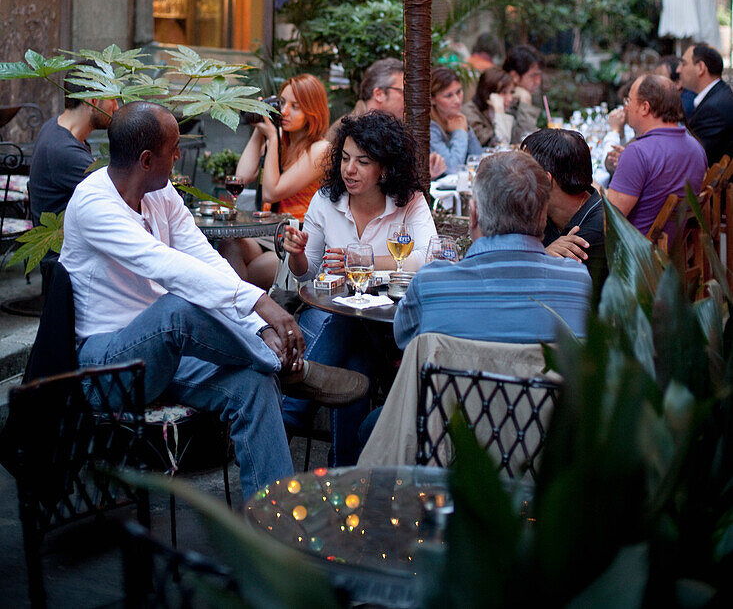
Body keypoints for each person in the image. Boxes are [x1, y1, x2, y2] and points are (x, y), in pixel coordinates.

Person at [61, 102, 362, 501]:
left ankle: (275, 528)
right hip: (105, 367)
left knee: (252, 384)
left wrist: (257, 323)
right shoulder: (93, 203)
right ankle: (287, 366)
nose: (179, 155)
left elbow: (202, 257)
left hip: (164, 358)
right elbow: (167, 266)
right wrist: (262, 305)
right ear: (147, 159)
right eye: (173, 149)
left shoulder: (160, 191)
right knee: (176, 309)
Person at [283, 111, 436, 463]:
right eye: (346, 159)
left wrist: (363, 260)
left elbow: (427, 261)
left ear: (385, 168)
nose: (349, 170)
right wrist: (297, 255)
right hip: (327, 316)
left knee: (350, 325)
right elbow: (308, 275)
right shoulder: (326, 200)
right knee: (351, 347)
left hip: (387, 327)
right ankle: (343, 469)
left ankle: (289, 413)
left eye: (362, 162)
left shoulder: (409, 202)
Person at [393, 150, 591, 348]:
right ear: (543, 215)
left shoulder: (431, 284)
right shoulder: (575, 283)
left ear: (474, 213)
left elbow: (404, 342)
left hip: (455, 380)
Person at [232, 74, 330, 286]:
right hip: (267, 234)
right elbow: (242, 177)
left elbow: (271, 192)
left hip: (297, 242)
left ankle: (240, 310)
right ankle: (238, 313)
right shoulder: (280, 143)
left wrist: (272, 138)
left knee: (245, 276)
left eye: (296, 106)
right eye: (282, 103)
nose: (284, 112)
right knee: (229, 247)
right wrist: (259, 126)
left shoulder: (320, 150)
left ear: (313, 111)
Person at [607, 75, 707, 238]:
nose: (626, 108)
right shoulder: (696, 148)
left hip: (636, 254)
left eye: (629, 101)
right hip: (676, 249)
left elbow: (610, 220)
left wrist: (594, 188)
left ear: (645, 107)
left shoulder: (637, 152)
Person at [521, 128, 607, 303]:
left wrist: (541, 259)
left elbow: (534, 296)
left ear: (546, 180)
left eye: (523, 170)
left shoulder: (594, 231)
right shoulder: (545, 212)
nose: (516, 177)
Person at [329, 58, 446, 179]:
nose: (409, 100)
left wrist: (423, 172)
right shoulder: (347, 129)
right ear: (379, 94)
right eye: (404, 92)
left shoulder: (388, 128)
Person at [28, 77, 118, 225]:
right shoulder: (64, 151)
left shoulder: (54, 126)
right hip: (62, 246)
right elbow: (118, 198)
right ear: (93, 100)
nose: (116, 107)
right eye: (112, 99)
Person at [678, 43, 733, 165]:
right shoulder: (718, 96)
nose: (678, 70)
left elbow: (693, 158)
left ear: (701, 68)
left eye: (683, 64)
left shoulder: (714, 108)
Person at [429, 67, 482, 172]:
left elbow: (479, 159)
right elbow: (452, 168)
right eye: (448, 96)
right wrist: (460, 132)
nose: (457, 100)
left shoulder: (457, 118)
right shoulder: (430, 128)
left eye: (458, 92)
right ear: (432, 100)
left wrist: (466, 129)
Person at [463, 68, 515, 147]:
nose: (510, 98)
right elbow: (499, 144)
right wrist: (499, 111)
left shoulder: (508, 108)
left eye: (511, 92)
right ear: (488, 93)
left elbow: (517, 139)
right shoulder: (470, 112)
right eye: (504, 92)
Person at [502, 45, 543, 143]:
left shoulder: (521, 96)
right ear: (514, 76)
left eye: (539, 75)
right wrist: (525, 101)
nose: (538, 81)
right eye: (533, 75)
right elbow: (525, 141)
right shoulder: (503, 100)